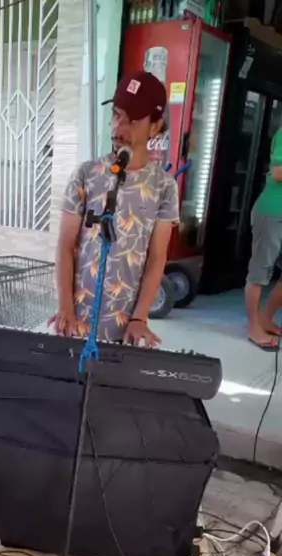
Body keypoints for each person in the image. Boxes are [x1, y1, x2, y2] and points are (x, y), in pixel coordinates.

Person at [51, 70, 179, 348]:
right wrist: (65, 309)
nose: (119, 129)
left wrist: (140, 318)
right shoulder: (86, 174)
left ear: (155, 127)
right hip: (76, 323)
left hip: (125, 329)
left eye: (132, 121)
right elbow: (65, 245)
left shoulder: (164, 187)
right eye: (117, 115)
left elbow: (156, 258)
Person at [246, 125, 282, 351]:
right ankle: (254, 327)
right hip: (272, 212)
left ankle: (266, 318)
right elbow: (278, 172)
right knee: (260, 273)